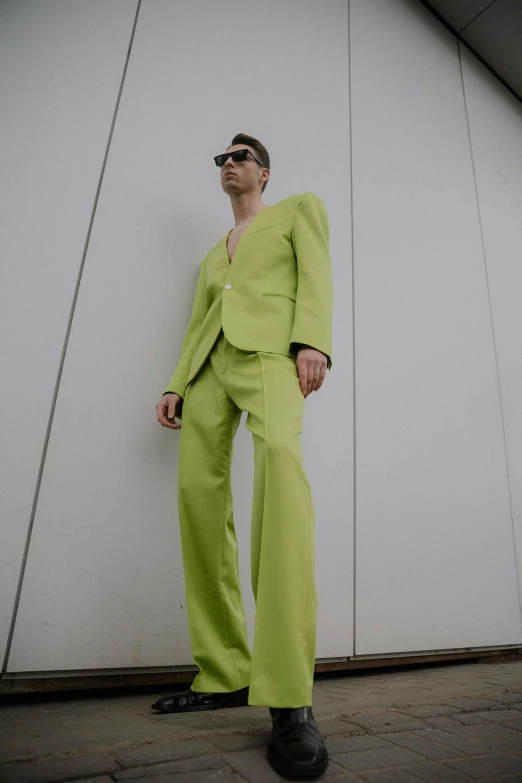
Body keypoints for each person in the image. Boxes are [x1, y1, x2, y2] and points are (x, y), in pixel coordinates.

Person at [152, 133, 333, 779]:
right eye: (220, 159)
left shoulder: (296, 211)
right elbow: (199, 320)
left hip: (270, 357)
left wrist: (312, 340)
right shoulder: (211, 255)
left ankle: (288, 696)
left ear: (263, 171)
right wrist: (177, 381)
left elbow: (316, 272)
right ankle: (224, 669)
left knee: (281, 472)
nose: (228, 165)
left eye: (239, 157)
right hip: (209, 373)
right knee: (198, 500)